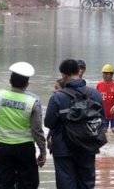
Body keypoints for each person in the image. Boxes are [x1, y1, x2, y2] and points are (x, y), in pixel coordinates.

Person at [0, 61, 46, 189]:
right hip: (25, 148)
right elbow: (37, 130)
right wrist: (42, 152)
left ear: (10, 80)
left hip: (3, 147)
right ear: (27, 83)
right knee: (28, 183)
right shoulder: (33, 100)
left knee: (4, 182)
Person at [44, 59, 104, 189]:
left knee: (66, 184)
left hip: (63, 150)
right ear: (79, 71)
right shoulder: (95, 94)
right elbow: (102, 120)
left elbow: (49, 122)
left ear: (64, 75)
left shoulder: (58, 97)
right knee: (86, 184)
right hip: (88, 147)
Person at [97, 64, 114, 133]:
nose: (105, 75)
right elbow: (96, 97)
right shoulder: (99, 84)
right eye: (104, 73)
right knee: (103, 131)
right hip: (104, 114)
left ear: (111, 75)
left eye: (107, 74)